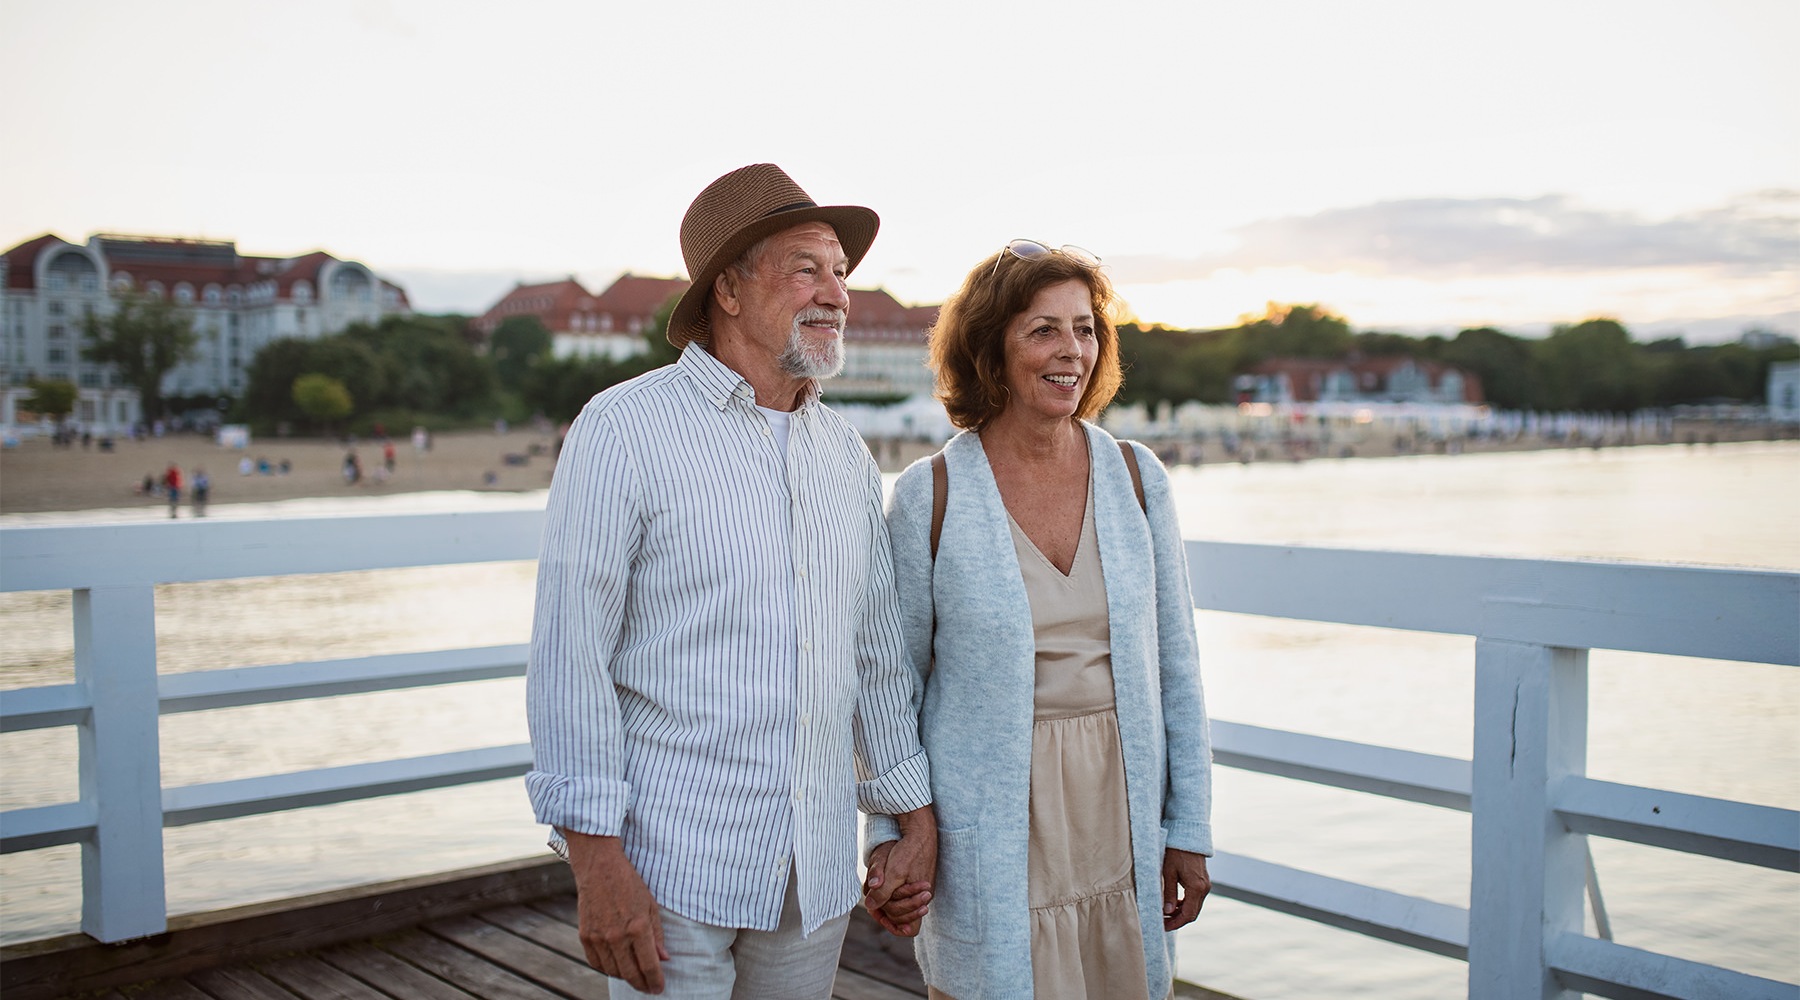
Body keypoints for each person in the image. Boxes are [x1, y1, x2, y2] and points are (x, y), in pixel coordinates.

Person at [526, 163, 937, 999]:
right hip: (672, 865)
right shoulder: (623, 429)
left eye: (841, 273)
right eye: (806, 269)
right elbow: (570, 659)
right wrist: (596, 865)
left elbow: (877, 661)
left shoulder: (846, 457)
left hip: (813, 871)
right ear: (730, 291)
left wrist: (908, 820)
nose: (838, 294)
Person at [867, 241, 1214, 999]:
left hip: (1117, 812)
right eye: (1043, 330)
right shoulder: (931, 497)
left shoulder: (1136, 477)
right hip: (990, 822)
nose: (1072, 351)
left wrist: (1189, 828)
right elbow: (891, 689)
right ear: (992, 347)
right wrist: (891, 837)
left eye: (1086, 329)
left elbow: (1176, 667)